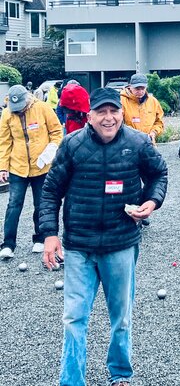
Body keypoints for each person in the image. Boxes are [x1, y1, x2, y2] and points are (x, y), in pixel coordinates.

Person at [38, 88, 168, 386]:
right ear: (90, 115)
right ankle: (72, 381)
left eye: (114, 111)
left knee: (121, 318)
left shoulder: (137, 143)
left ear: (121, 113)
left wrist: (152, 201)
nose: (108, 118)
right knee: (73, 318)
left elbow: (159, 173)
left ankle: (120, 374)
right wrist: (49, 234)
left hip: (120, 243)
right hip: (79, 247)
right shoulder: (72, 144)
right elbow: (50, 191)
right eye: (101, 112)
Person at [0, 85, 63, 260]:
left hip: (41, 166)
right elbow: (4, 141)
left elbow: (57, 132)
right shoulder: (6, 114)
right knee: (13, 204)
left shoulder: (42, 108)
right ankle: (8, 244)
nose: (18, 111)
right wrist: (3, 166)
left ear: (28, 100)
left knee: (41, 203)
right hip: (17, 166)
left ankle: (40, 238)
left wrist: (51, 150)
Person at [120, 73, 164, 144]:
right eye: (137, 89)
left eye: (143, 88)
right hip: (128, 144)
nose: (140, 92)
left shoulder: (153, 101)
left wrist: (154, 132)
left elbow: (159, 122)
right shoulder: (122, 101)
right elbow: (117, 125)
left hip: (148, 143)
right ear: (130, 86)